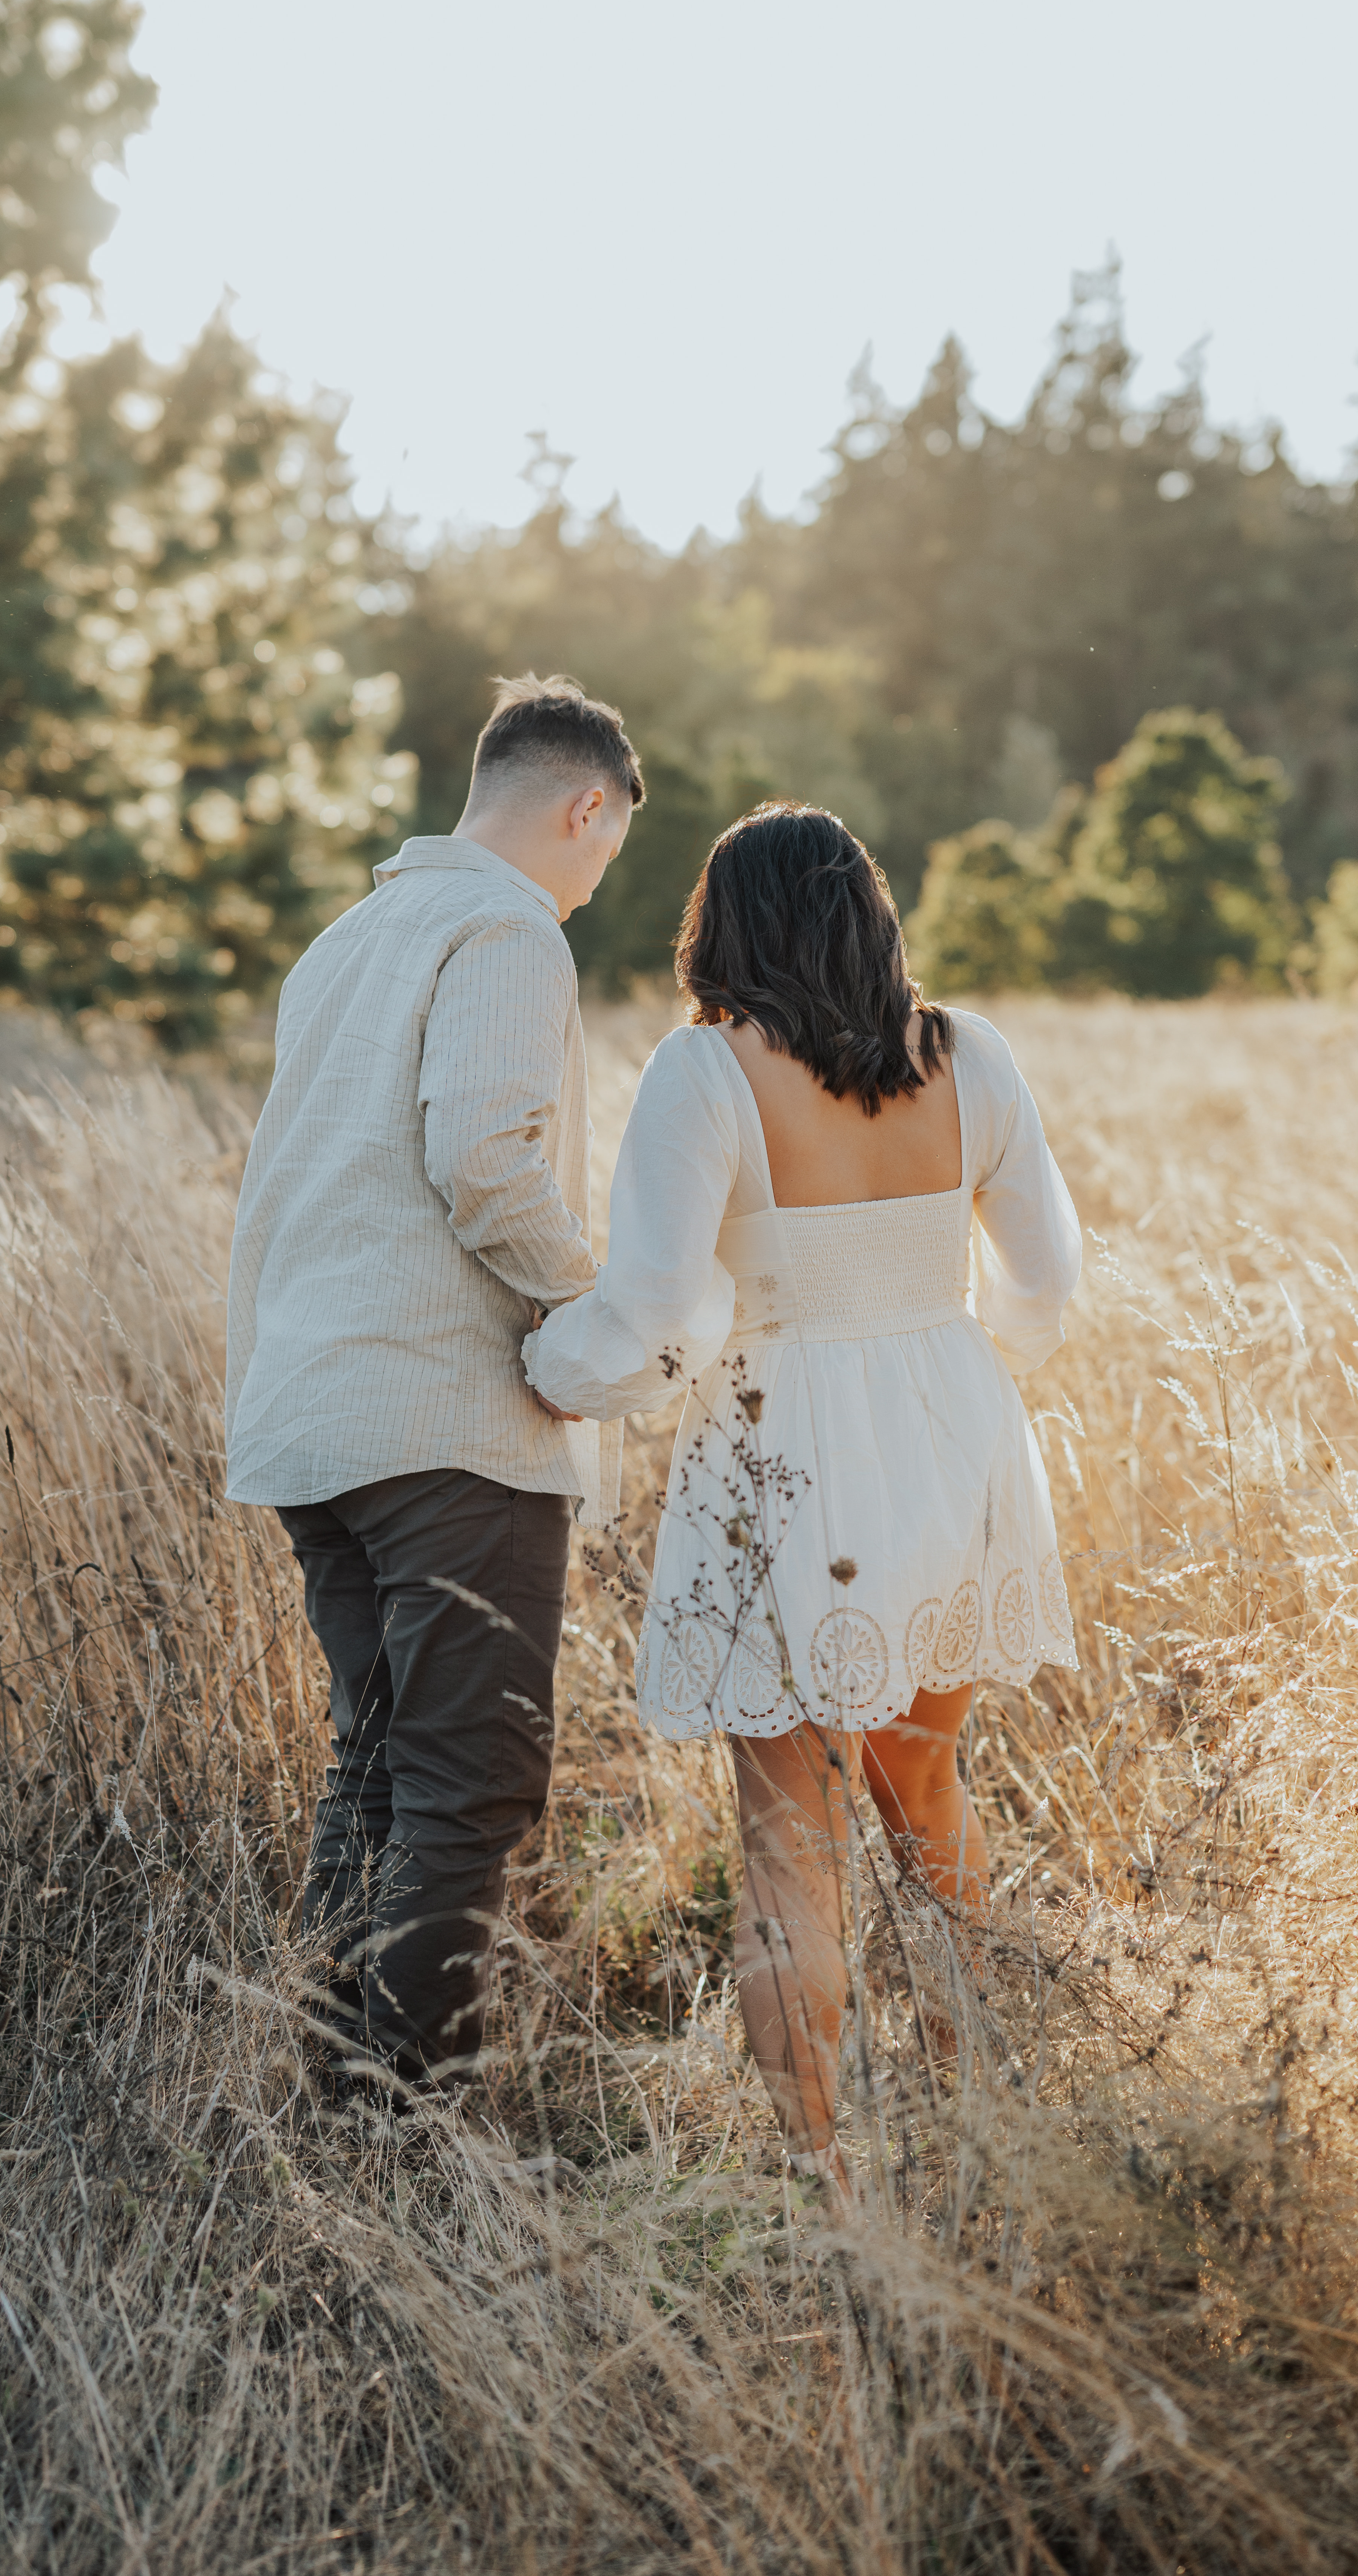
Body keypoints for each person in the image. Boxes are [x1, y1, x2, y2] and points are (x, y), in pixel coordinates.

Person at [525, 803, 1080, 2182]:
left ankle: (824, 2178)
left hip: (787, 1449)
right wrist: (953, 1365)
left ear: (725, 925)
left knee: (790, 1840)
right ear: (872, 916)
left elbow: (654, 1311)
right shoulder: (971, 1055)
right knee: (930, 1787)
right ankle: (978, 2129)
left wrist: (552, 1371)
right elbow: (1049, 1284)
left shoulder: (704, 1073)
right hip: (957, 1433)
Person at [224, 673, 642, 2093]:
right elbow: (485, 1158)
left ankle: (328, 2093)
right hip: (447, 1427)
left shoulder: (345, 940)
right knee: (469, 1793)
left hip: (313, 1417)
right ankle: (411, 2127)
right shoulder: (508, 929)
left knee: (379, 1771)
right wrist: (595, 1318)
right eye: (607, 853)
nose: (593, 888)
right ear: (586, 806)